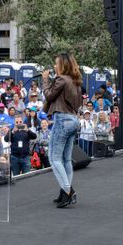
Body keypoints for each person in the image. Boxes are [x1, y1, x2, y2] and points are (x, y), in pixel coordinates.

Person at [42, 53, 82, 208]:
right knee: (66, 159)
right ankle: (64, 192)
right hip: (73, 120)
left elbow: (49, 96)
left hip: (62, 120)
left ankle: (68, 191)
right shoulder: (76, 81)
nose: (54, 66)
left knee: (54, 158)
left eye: (56, 64)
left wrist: (45, 80)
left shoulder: (61, 79)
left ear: (62, 65)